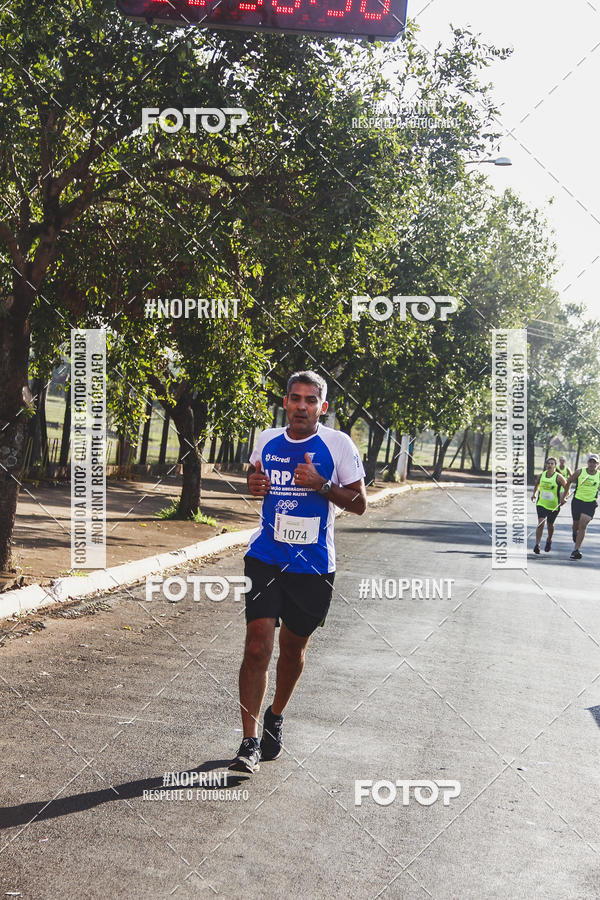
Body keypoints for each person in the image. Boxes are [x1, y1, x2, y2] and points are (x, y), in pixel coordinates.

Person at [230, 371, 367, 774]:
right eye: (295, 399)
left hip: (312, 566)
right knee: (257, 646)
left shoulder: (337, 444)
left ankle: (276, 715)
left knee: (293, 650)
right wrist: (253, 482)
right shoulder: (267, 439)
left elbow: (360, 503)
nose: (302, 406)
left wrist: (322, 485)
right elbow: (254, 475)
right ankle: (249, 741)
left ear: (322, 407)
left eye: (311, 400)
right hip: (266, 556)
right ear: (285, 402)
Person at [561, 454, 600, 560]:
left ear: (598, 464)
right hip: (577, 502)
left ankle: (576, 550)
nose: (592, 464)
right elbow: (568, 481)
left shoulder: (599, 475)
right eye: (591, 462)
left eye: (595, 462)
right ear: (588, 463)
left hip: (590, 503)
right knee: (576, 524)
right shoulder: (580, 472)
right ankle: (574, 531)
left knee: (583, 525)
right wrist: (564, 497)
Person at [531, 457, 567, 554]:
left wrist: (564, 498)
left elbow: (566, 487)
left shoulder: (558, 477)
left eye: (552, 463)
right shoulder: (541, 475)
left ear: (555, 466)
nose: (550, 465)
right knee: (540, 523)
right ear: (545, 465)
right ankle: (537, 544)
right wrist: (534, 494)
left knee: (550, 525)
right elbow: (537, 485)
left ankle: (549, 540)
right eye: (548, 463)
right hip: (541, 503)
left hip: (554, 505)